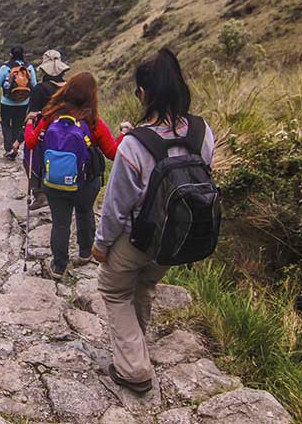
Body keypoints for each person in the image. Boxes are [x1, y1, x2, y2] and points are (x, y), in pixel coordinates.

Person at [94, 49, 215, 394]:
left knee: (114, 290)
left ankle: (134, 369)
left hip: (136, 239)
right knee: (144, 286)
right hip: (176, 238)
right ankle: (137, 346)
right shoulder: (203, 132)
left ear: (144, 94)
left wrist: (101, 246)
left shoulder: (133, 146)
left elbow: (117, 207)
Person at [24, 72, 126, 280]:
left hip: (53, 181)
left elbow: (32, 143)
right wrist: (125, 134)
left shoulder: (50, 115)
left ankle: (59, 266)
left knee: (60, 222)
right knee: (85, 212)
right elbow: (114, 153)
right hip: (86, 181)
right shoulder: (94, 122)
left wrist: (28, 123)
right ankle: (85, 252)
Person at [24, 50, 70, 210]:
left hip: (45, 132)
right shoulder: (69, 87)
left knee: (30, 158)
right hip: (68, 131)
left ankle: (39, 193)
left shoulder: (40, 89)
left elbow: (32, 114)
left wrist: (21, 136)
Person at [0, 46, 37, 159]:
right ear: (23, 54)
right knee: (18, 125)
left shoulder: (5, 68)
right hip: (23, 102)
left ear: (11, 55)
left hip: (6, 102)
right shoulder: (29, 67)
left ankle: (8, 148)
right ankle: (15, 148)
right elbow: (35, 85)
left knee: (6, 124)